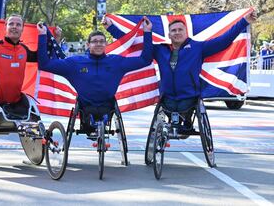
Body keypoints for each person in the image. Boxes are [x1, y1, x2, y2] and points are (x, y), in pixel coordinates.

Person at [103, 10, 257, 131]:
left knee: (185, 117)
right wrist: (111, 27)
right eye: (174, 30)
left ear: (186, 32)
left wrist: (244, 21)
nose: (177, 32)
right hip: (167, 97)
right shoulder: (160, 50)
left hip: (190, 97)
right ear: (169, 34)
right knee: (167, 114)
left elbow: (224, 39)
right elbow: (133, 43)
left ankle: (186, 121)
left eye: (180, 30)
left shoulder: (198, 47)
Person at [37, 17, 153, 135]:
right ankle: (90, 121)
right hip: (85, 107)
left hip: (108, 106)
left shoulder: (116, 62)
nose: (98, 44)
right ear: (88, 44)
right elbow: (45, 64)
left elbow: (145, 60)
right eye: (94, 41)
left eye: (101, 41)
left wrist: (147, 32)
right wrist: (42, 36)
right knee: (88, 112)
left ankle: (101, 120)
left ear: (106, 44)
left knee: (105, 108)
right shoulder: (75, 63)